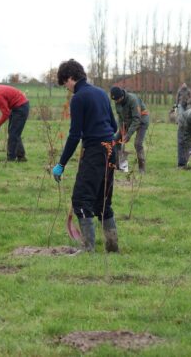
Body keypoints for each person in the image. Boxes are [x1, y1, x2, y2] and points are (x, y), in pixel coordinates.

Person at [52, 59, 119, 253]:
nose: (67, 88)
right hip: (110, 149)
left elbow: (74, 135)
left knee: (81, 200)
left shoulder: (79, 98)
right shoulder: (101, 93)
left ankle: (88, 249)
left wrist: (61, 163)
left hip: (95, 151)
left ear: (71, 78)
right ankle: (112, 247)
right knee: (103, 201)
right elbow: (113, 127)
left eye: (65, 84)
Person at [109, 87, 150, 173]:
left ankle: (142, 169)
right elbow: (120, 118)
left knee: (138, 144)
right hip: (128, 121)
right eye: (114, 100)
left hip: (141, 120)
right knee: (116, 140)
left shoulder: (133, 100)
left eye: (117, 100)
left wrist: (128, 135)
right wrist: (122, 130)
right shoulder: (117, 101)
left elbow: (137, 119)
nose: (116, 102)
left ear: (122, 96)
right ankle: (119, 166)